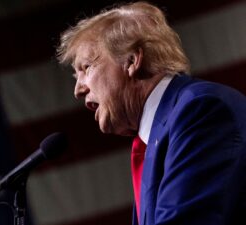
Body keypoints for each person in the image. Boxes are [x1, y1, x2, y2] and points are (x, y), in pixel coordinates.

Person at [56, 1, 246, 225]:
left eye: (86, 67)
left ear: (131, 61)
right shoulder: (154, 136)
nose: (78, 89)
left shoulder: (198, 110)